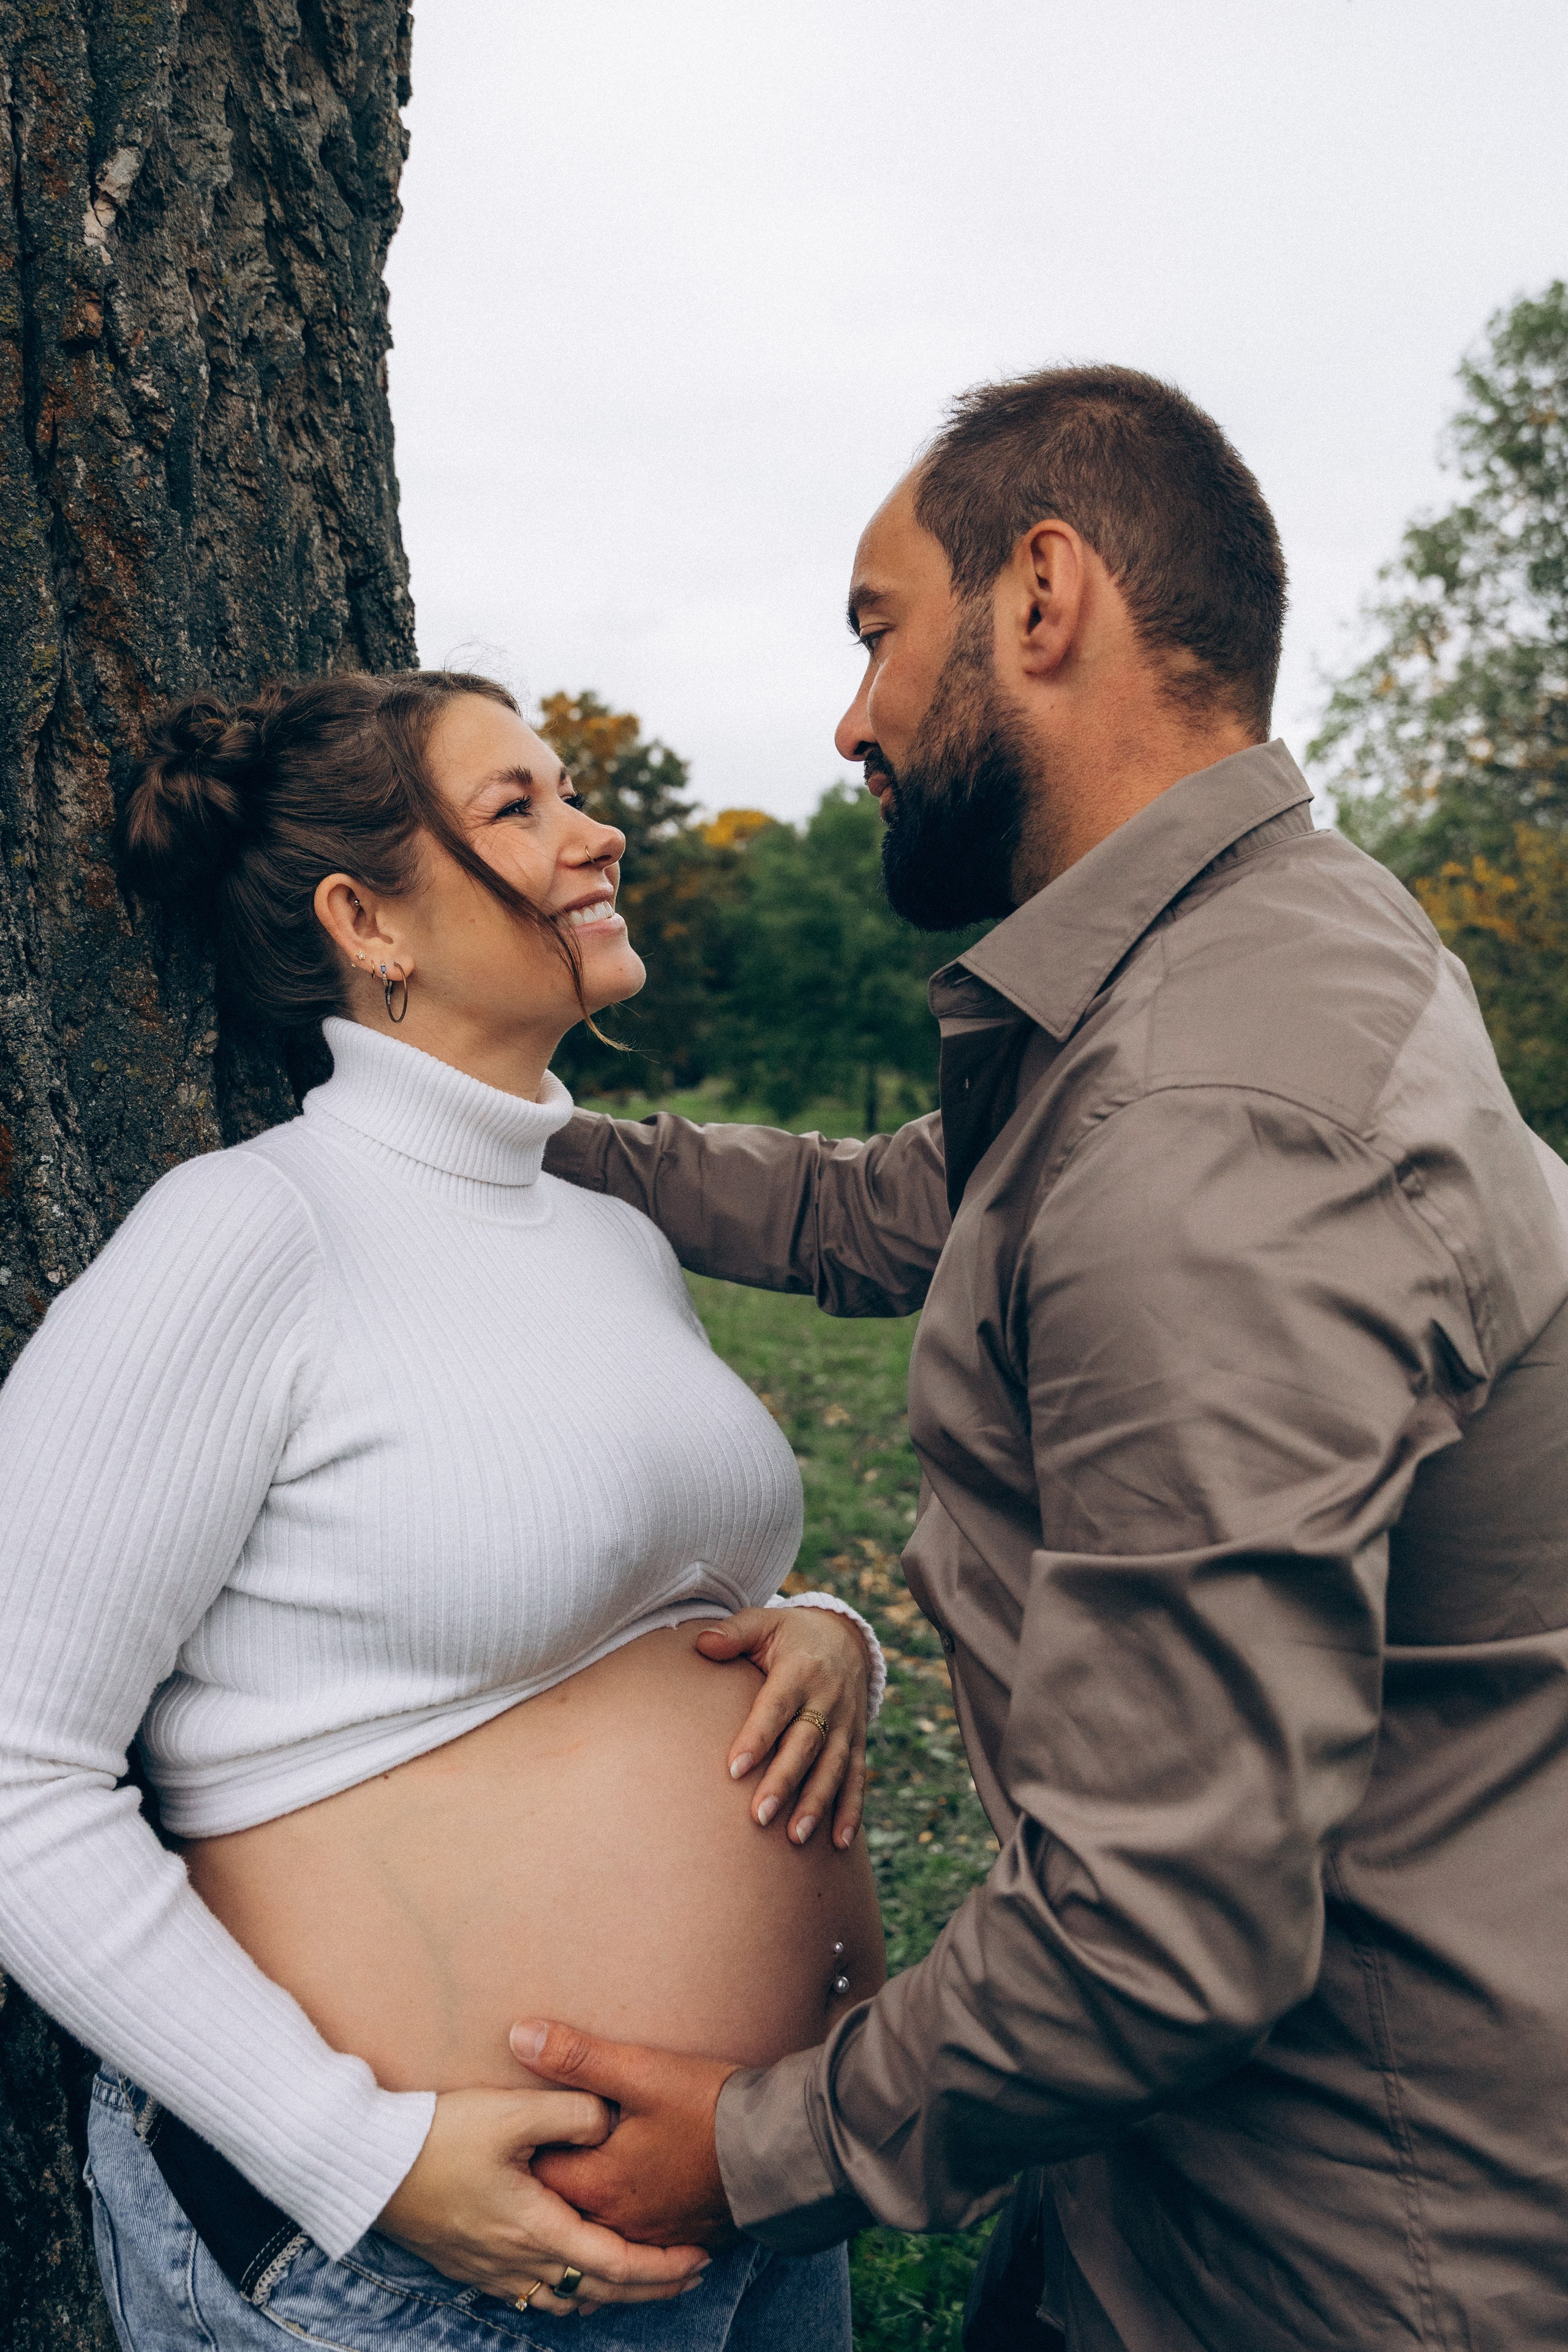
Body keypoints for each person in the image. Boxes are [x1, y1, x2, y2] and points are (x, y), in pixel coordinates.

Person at [519, 367, 1568, 2351]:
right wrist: (527, 1145)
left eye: (875, 630)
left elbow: (1166, 1937)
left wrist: (748, 2153)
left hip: (1334, 2259)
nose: (850, 721)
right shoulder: (1242, 956)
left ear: (1043, 596)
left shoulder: (1208, 1125)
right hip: (1179, 2178)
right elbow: (897, 1212)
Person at [0, 669, 889, 2351]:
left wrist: (832, 1637)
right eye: (519, 807)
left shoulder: (609, 1233)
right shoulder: (249, 1233)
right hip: (408, 2274)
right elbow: (15, 1766)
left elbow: (650, 1584)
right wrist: (360, 2159)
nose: (594, 827)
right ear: (368, 920)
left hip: (762, 2212)